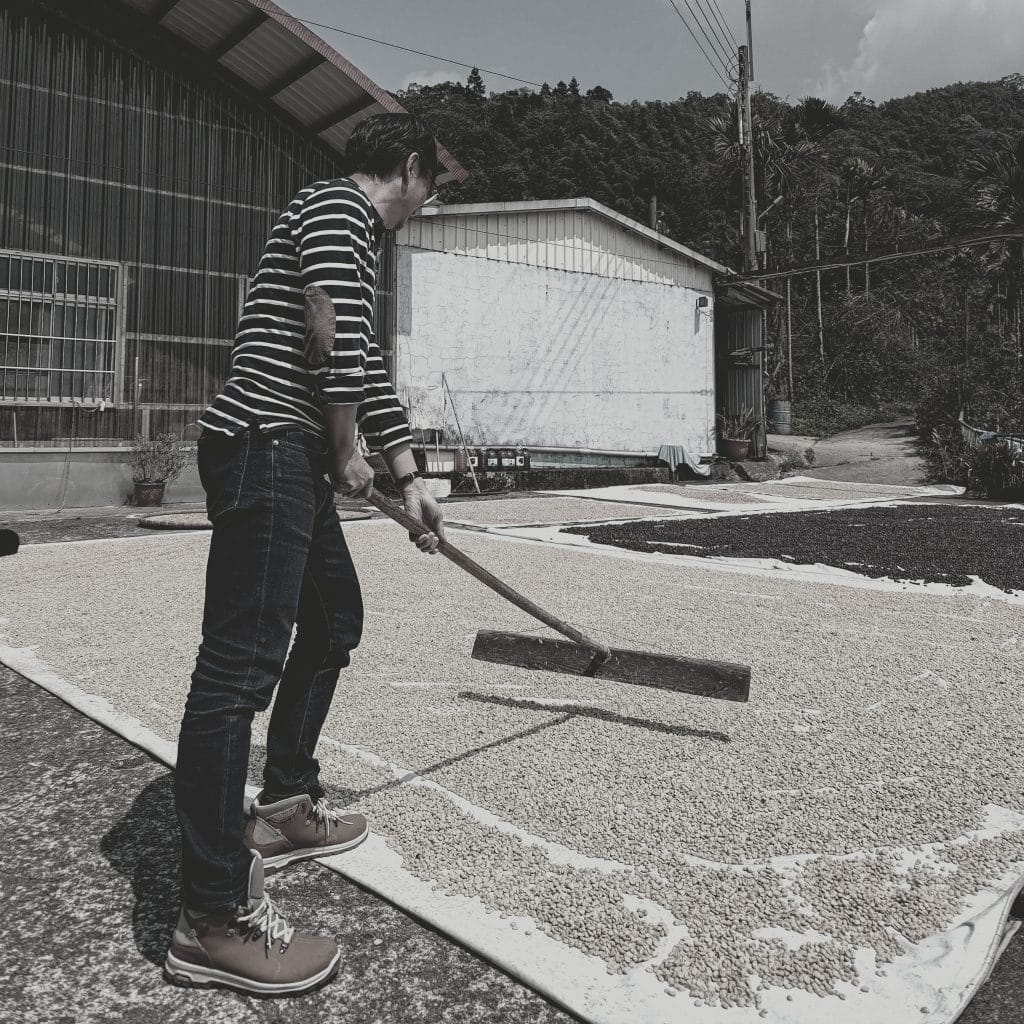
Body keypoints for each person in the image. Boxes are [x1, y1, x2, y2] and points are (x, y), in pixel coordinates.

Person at [164, 113, 447, 997]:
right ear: (409, 167)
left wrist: (408, 476)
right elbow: (329, 326)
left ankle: (284, 803)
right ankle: (212, 916)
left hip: (293, 451)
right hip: (267, 443)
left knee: (332, 621)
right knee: (237, 671)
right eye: (432, 186)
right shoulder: (336, 210)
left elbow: (359, 358)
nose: (428, 203)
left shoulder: (355, 232)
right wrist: (348, 445)